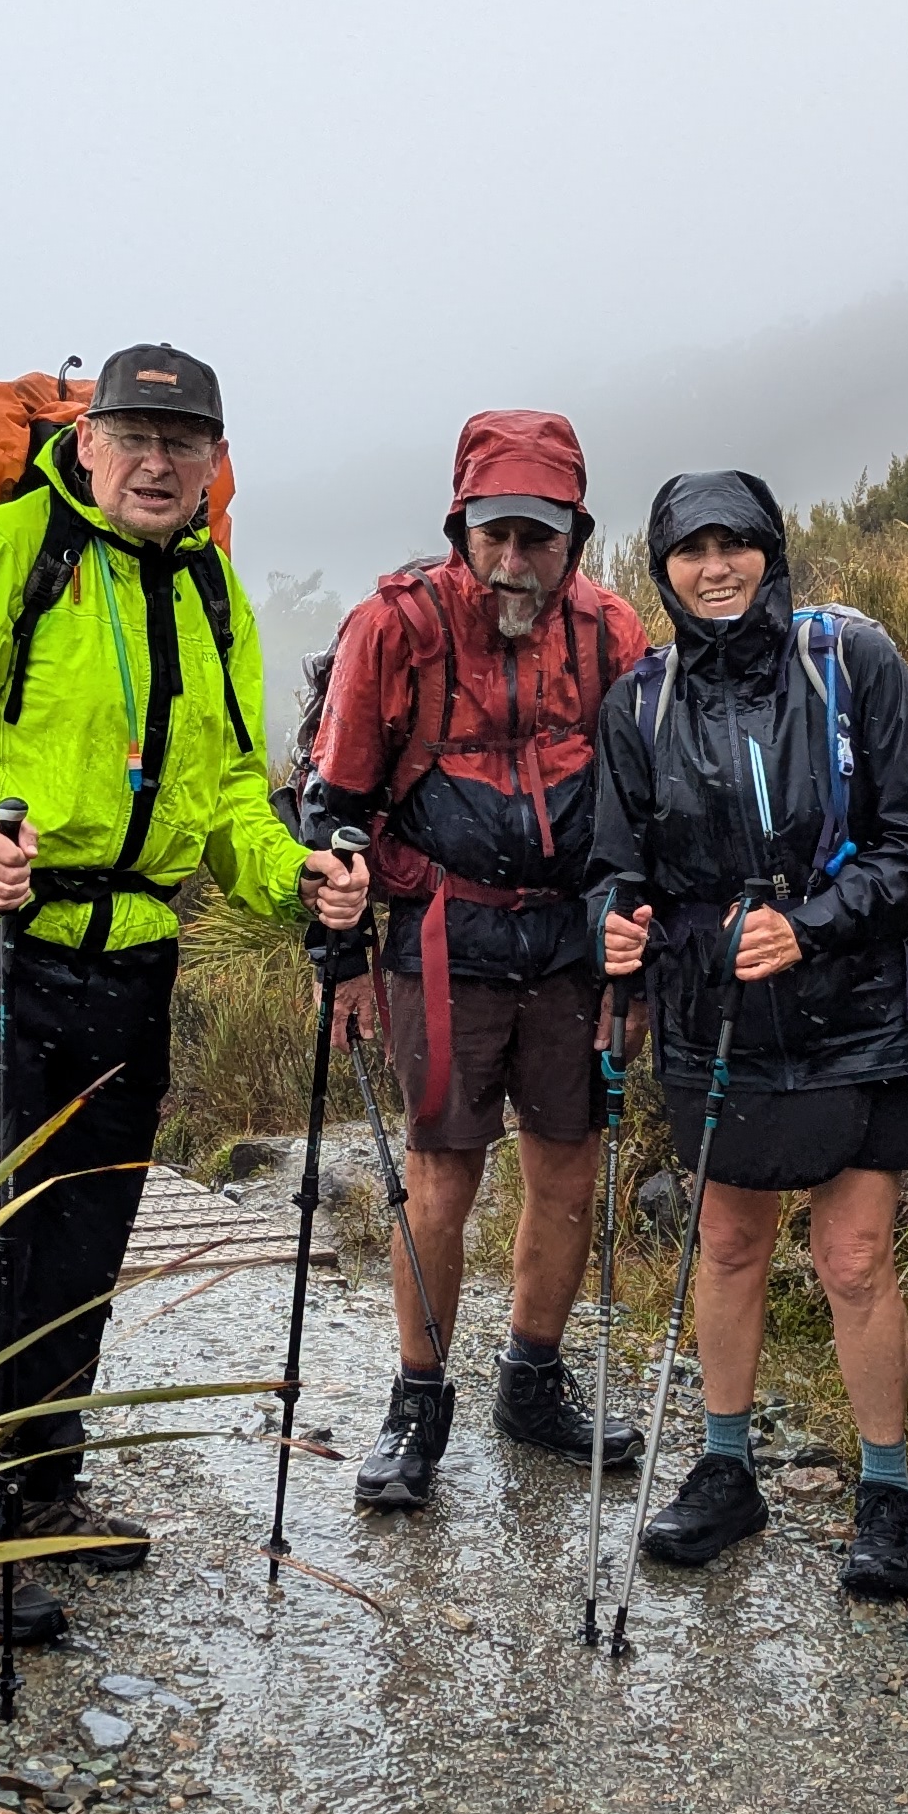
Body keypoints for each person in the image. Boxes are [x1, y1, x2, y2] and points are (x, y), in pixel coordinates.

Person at [0, 342, 369, 1636]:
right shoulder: (0, 555)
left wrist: (298, 877)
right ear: (86, 443)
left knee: (85, 1236)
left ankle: (44, 1489)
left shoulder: (211, 591)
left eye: (182, 443)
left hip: (128, 958)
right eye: (135, 438)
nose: (157, 463)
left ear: (214, 461)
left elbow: (225, 798)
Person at [592, 470, 908, 1601]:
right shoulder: (640, 705)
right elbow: (615, 866)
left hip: (863, 1010)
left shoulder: (852, 661)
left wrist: (810, 927)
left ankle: (887, 1492)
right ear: (663, 570)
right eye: (691, 551)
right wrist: (614, 925)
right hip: (720, 1016)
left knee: (854, 1257)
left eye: (735, 544)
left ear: (770, 551)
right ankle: (725, 1468)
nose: (716, 568)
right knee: (729, 1246)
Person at [305, 409, 652, 1509]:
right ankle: (417, 1404)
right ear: (460, 528)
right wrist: (340, 961)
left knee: (567, 1169)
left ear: (574, 537)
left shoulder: (610, 633)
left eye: (537, 538)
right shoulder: (394, 628)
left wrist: (634, 957)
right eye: (493, 534)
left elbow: (646, 806)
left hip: (568, 946)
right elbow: (337, 804)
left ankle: (531, 1383)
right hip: (441, 942)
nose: (513, 560)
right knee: (441, 1177)